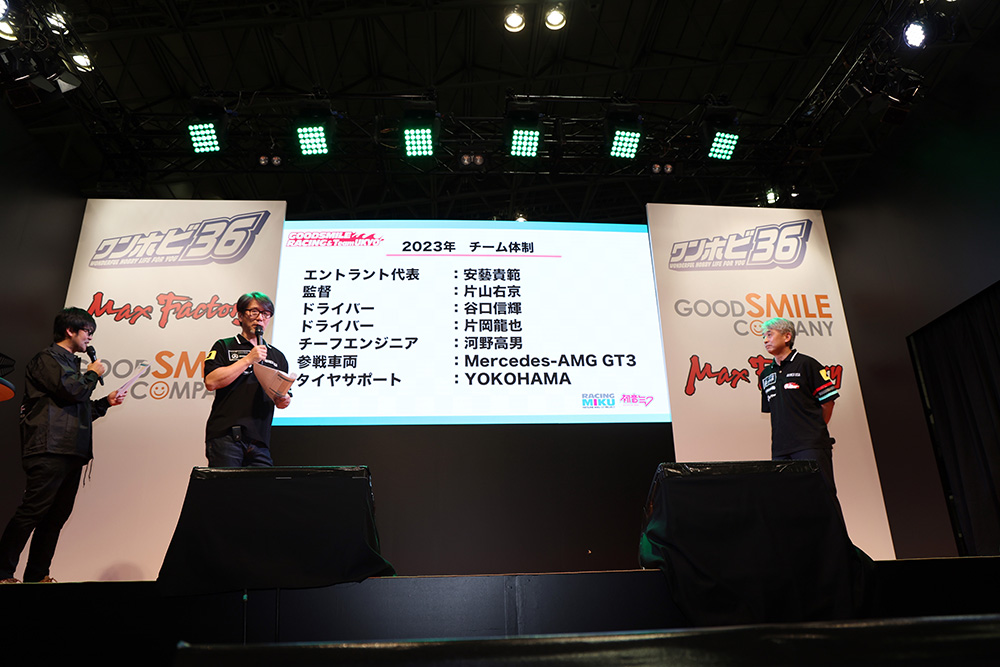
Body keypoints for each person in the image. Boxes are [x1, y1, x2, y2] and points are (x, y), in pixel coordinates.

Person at [0, 307, 125, 584]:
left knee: (55, 517)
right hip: (49, 447)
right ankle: (2, 572)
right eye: (87, 332)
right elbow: (72, 391)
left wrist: (106, 402)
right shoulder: (47, 359)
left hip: (71, 450)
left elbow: (78, 409)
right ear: (70, 330)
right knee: (33, 511)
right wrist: (92, 374)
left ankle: (36, 576)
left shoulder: (73, 367)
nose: (90, 338)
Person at [203, 292, 291, 467]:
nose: (260, 318)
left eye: (266, 314)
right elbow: (211, 382)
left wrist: (284, 399)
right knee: (226, 485)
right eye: (254, 312)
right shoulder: (224, 346)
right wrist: (248, 359)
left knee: (261, 485)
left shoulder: (277, 356)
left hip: (260, 442)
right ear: (241, 316)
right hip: (227, 436)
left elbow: (282, 400)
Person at [759, 316, 840, 493]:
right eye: (763, 336)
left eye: (769, 334)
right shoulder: (765, 374)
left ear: (787, 336)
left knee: (821, 494)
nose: (765, 340)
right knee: (788, 498)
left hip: (810, 445)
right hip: (780, 449)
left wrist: (813, 429)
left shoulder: (807, 364)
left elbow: (828, 402)